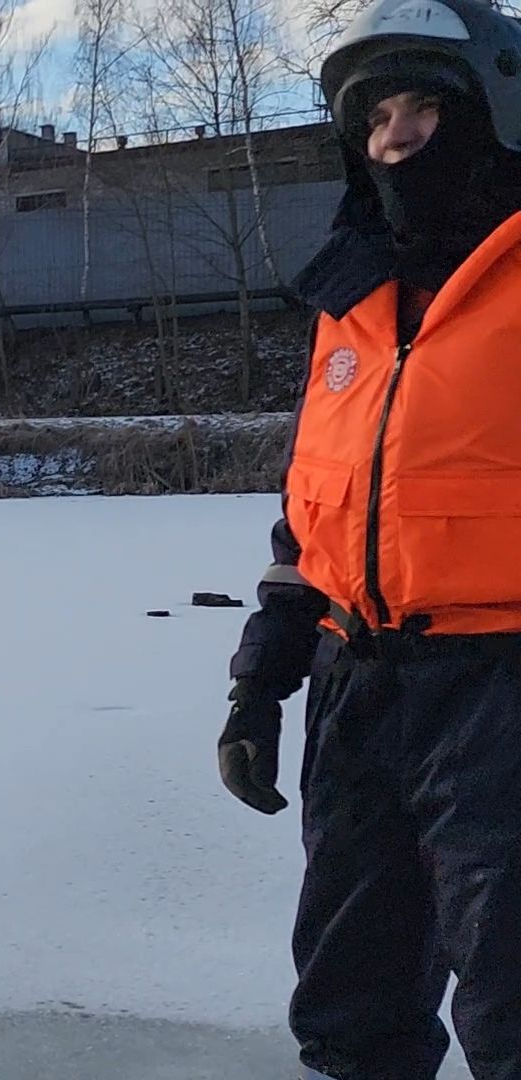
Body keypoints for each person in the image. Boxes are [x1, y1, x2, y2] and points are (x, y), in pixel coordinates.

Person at [220, 1, 521, 1076]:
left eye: (424, 107)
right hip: (359, 692)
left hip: (499, 690)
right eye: (376, 117)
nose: (395, 138)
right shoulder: (352, 301)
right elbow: (317, 512)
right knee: (352, 1010)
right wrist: (262, 682)